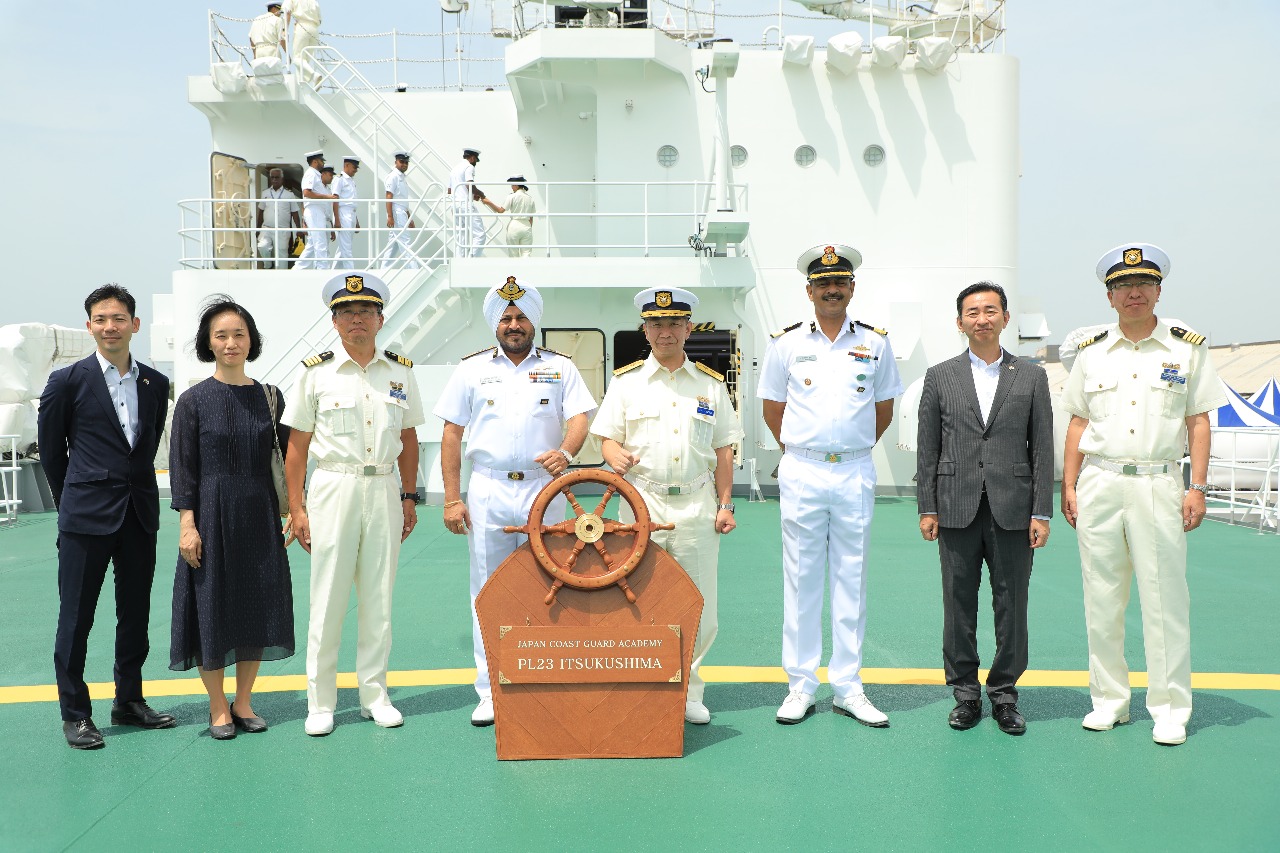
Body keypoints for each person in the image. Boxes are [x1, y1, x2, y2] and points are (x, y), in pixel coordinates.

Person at [1060, 243, 1225, 747]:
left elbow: (1198, 421)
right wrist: (1068, 485)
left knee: (1164, 599)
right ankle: (1109, 701)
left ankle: (1171, 708)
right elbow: (1078, 422)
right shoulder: (1089, 351)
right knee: (1102, 598)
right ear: (1109, 297)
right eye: (1122, 286)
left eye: (1143, 284)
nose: (1133, 293)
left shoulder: (1185, 348)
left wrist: (1196, 486)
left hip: (1159, 481)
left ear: (1158, 291)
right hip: (1100, 481)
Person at [434, 276, 596, 726]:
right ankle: (490, 690)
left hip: (545, 490)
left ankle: (547, 680)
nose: (513, 324)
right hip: (488, 488)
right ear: (494, 324)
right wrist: (452, 498)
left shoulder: (561, 368)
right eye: (505, 318)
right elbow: (451, 433)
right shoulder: (470, 370)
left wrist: (566, 452)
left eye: (522, 317)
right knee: (487, 588)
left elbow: (580, 418)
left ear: (534, 322)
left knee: (552, 584)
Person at [757, 244, 904, 727]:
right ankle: (800, 684)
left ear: (852, 288)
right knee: (800, 577)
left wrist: (852, 446)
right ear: (809, 290)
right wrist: (805, 450)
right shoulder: (785, 344)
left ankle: (848, 685)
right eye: (823, 284)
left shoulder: (876, 344)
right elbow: (772, 409)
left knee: (851, 576)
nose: (832, 290)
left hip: (855, 469)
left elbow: (883, 409)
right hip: (803, 468)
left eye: (839, 283)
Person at [589, 287, 743, 725]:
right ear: (645, 329)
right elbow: (607, 437)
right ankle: (642, 685)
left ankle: (689, 690)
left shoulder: (711, 386)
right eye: (656, 324)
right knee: (635, 600)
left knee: (698, 604)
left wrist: (726, 504)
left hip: (696, 505)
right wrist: (612, 453)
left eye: (675, 323)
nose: (665, 331)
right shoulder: (626, 382)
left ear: (689, 328)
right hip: (641, 506)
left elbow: (724, 449)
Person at [282, 272, 425, 736]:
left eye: (365, 311)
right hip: (333, 488)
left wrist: (408, 494)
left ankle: (374, 696)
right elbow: (297, 447)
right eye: (347, 312)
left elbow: (408, 438)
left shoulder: (400, 371)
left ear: (381, 319)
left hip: (383, 487)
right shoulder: (315, 372)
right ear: (334, 321)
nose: (356, 320)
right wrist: (297, 508)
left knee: (379, 597)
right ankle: (320, 703)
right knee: (327, 597)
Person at [38, 284, 174, 749]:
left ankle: (129, 701)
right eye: (100, 319)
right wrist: (72, 505)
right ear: (89, 325)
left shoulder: (156, 383)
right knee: (76, 619)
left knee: (134, 614)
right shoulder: (67, 381)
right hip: (85, 519)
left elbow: (148, 442)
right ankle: (75, 714)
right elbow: (54, 456)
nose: (110, 327)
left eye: (118, 318)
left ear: (135, 324)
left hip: (138, 514)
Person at [916, 281, 1054, 736]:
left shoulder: (1031, 376)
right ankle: (965, 694)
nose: (982, 318)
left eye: (990, 310)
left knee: (1012, 604)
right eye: (972, 312)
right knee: (957, 604)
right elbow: (928, 447)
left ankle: (1005, 695)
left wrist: (1041, 510)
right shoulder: (940, 376)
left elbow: (1042, 448)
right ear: (960, 322)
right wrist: (927, 506)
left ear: (1005, 318)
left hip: (1014, 508)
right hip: (956, 505)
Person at [169, 297, 295, 740]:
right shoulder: (192, 401)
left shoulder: (271, 398)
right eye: (221, 335)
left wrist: (295, 510)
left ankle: (243, 701)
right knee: (211, 607)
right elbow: (183, 467)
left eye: (239, 334)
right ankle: (217, 705)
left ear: (251, 340)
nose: (230, 343)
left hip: (258, 514)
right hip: (210, 513)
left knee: (257, 604)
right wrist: (188, 524)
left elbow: (288, 460)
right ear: (208, 342)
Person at [296, 151, 336, 270]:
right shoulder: (311, 174)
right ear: (315, 161)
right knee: (320, 242)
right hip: (314, 210)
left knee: (313, 244)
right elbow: (306, 193)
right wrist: (326, 197)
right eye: (321, 161)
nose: (323, 163)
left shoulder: (316, 175)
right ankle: (322, 269)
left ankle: (297, 269)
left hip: (318, 212)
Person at [378, 152, 418, 269]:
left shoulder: (402, 177)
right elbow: (389, 196)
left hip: (402, 212)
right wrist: (390, 216)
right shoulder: (393, 176)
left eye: (406, 162)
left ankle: (383, 269)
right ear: (396, 162)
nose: (404, 164)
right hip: (396, 212)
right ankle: (413, 270)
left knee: (393, 244)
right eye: (402, 162)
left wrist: (409, 217)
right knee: (405, 241)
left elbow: (403, 200)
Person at [479, 176, 535, 258]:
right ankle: (525, 270)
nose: (512, 187)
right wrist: (528, 227)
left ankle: (515, 271)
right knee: (526, 253)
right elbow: (531, 218)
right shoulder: (530, 198)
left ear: (516, 185)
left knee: (513, 254)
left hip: (515, 225)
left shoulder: (512, 196)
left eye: (512, 185)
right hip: (527, 226)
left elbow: (500, 210)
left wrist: (488, 202)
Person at [257, 168, 301, 269]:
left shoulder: (289, 195)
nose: (274, 180)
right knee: (262, 246)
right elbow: (261, 211)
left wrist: (299, 229)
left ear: (282, 179)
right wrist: (257, 228)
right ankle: (268, 264)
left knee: (282, 255)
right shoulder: (265, 193)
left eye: (277, 177)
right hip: (267, 228)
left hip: (282, 229)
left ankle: (282, 277)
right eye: (272, 177)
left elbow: (294, 212)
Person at [448, 148, 485, 257]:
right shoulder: (469, 167)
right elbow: (469, 185)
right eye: (475, 160)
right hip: (465, 205)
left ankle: (460, 260)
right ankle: (471, 260)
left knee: (461, 235)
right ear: (472, 158)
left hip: (455, 205)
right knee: (480, 235)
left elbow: (450, 190)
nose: (475, 163)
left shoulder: (454, 169)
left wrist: (472, 195)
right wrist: (481, 194)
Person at [284, 0, 322, 85]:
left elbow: (287, 12)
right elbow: (320, 20)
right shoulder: (314, 1)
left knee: (297, 59)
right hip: (314, 29)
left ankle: (314, 75)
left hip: (302, 26)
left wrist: (284, 29)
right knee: (305, 61)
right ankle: (305, 84)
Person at [332, 155, 360, 269]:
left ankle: (333, 272)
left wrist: (356, 221)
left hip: (351, 214)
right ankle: (351, 273)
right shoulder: (339, 179)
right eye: (354, 167)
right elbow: (335, 199)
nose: (356, 170)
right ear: (347, 165)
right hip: (343, 214)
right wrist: (337, 220)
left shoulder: (351, 181)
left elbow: (352, 203)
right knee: (346, 247)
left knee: (343, 247)